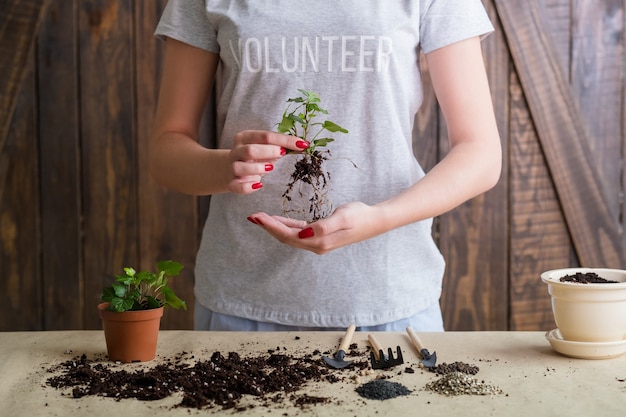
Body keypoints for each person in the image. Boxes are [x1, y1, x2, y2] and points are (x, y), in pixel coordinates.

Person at [150, 0, 502, 332]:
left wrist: (381, 218)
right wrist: (226, 167)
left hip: (388, 300)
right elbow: (166, 151)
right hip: (242, 304)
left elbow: (480, 152)